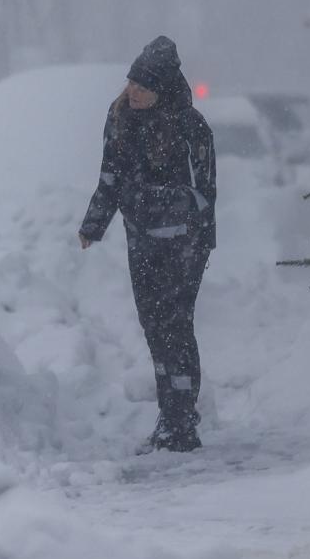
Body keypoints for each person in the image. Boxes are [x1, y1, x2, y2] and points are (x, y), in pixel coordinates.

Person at [78, 36, 217, 454]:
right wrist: (93, 224)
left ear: (163, 90)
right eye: (131, 83)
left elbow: (206, 192)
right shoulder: (120, 118)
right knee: (153, 326)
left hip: (183, 245)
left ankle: (182, 421)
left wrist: (198, 235)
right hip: (141, 240)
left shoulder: (191, 127)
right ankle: (169, 414)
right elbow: (110, 177)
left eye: (144, 86)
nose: (133, 92)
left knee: (176, 325)